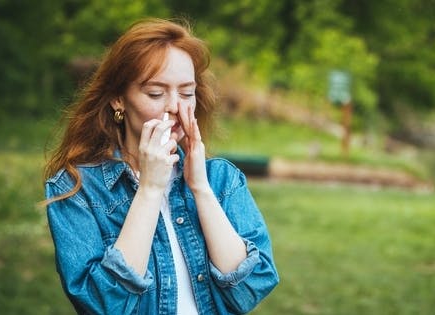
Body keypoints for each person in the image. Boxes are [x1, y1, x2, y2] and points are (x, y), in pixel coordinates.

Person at [43, 18, 279, 315]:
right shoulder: (77, 189)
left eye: (187, 92)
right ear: (119, 99)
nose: (175, 106)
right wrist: (150, 189)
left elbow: (251, 288)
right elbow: (102, 305)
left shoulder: (222, 179)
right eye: (156, 93)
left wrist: (201, 188)